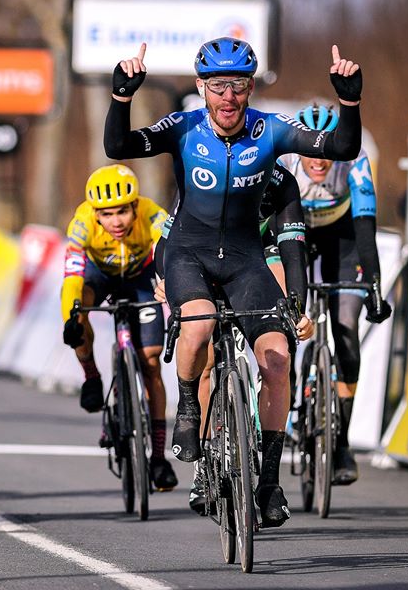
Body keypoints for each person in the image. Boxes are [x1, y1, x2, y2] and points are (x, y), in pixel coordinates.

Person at [104, 38, 364, 527]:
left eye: (239, 86)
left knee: (278, 359)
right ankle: (188, 410)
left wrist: (349, 102)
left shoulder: (270, 130)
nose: (229, 96)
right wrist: (122, 97)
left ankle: (268, 481)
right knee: (199, 325)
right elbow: (118, 147)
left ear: (251, 89)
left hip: (246, 262)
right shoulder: (184, 127)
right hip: (189, 254)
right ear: (201, 87)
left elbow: (341, 147)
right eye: (218, 85)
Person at [154, 160, 315, 514]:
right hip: (199, 260)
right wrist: (164, 280)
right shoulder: (207, 168)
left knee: (279, 357)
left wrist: (298, 311)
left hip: (254, 258)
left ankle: (269, 481)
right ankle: (202, 465)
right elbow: (167, 241)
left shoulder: (279, 181)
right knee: (206, 359)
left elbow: (292, 254)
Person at [276, 102, 393, 485]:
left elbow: (365, 229)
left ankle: (341, 441)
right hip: (294, 232)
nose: (319, 160)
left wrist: (373, 286)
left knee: (345, 328)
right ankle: (286, 405)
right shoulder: (284, 161)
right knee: (285, 323)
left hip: (342, 241)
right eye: (312, 150)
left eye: (326, 150)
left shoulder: (354, 159)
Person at [61, 163, 178, 492]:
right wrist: (71, 317)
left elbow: (174, 252)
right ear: (95, 214)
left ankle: (158, 458)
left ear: (135, 206)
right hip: (99, 276)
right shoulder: (82, 222)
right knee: (77, 310)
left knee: (150, 361)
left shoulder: (152, 214)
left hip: (140, 277)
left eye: (123, 212)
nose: (116, 222)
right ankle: (91, 376)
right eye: (107, 214)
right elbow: (71, 277)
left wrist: (172, 290)